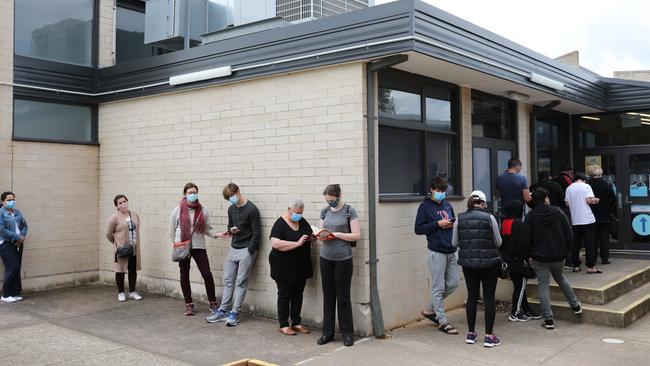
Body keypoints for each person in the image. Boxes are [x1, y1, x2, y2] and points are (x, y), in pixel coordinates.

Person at [520, 188, 582, 329]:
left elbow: (525, 240)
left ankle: (548, 319)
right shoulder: (559, 212)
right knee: (561, 279)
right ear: (546, 198)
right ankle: (575, 305)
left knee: (543, 286)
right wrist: (567, 252)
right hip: (559, 256)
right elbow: (569, 234)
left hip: (539, 258)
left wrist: (528, 255)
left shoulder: (531, 216)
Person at [452, 190, 503, 348]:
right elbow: (499, 242)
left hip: (468, 264)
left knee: (472, 297)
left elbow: (454, 243)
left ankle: (471, 334)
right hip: (489, 264)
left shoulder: (459, 218)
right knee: (489, 298)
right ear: (483, 202)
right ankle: (489, 336)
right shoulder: (490, 218)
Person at [207, 183, 261, 327]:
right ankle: (223, 310)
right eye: (228, 198)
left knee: (241, 281)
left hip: (247, 248)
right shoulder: (231, 209)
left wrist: (249, 251)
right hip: (234, 247)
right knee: (228, 279)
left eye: (232, 196)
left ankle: (234, 313)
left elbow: (257, 234)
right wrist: (231, 231)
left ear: (238, 192)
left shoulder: (252, 209)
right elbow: (229, 228)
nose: (231, 199)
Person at [316, 184, 361, 347]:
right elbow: (321, 231)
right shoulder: (325, 211)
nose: (330, 203)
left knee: (343, 297)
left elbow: (357, 234)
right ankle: (327, 333)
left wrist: (338, 235)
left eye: (332, 200)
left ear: (339, 195)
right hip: (325, 258)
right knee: (328, 296)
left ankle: (347, 334)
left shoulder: (349, 211)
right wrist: (321, 236)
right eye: (327, 201)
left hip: (343, 259)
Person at [414, 176, 459, 334]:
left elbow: (453, 223)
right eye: (438, 191)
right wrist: (437, 224)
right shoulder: (424, 207)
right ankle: (442, 320)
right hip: (436, 251)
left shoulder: (447, 205)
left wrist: (451, 225)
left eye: (443, 191)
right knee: (438, 287)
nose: (441, 193)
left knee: (453, 283)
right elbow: (418, 229)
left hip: (452, 249)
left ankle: (429, 310)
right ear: (432, 190)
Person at [170, 183, 222, 316]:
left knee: (206, 274)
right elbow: (172, 230)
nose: (193, 194)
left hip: (199, 246)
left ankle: (213, 302)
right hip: (183, 246)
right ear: (185, 194)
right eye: (190, 192)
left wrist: (217, 234)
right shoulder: (177, 210)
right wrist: (177, 244)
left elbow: (207, 229)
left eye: (195, 192)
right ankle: (188, 303)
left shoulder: (203, 210)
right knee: (184, 275)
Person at [269, 199, 314, 336]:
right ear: (289, 209)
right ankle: (283, 324)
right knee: (284, 295)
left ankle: (296, 323)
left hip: (301, 266)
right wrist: (297, 244)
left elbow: (309, 235)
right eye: (296, 213)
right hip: (283, 266)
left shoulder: (302, 221)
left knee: (298, 295)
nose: (298, 215)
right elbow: (276, 244)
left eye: (301, 213)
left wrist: (313, 238)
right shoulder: (280, 224)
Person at [499, 200, 540, 322]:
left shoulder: (505, 222)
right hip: (518, 260)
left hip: (508, 259)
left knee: (519, 286)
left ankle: (526, 309)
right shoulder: (518, 223)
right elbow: (523, 243)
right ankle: (515, 313)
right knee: (520, 287)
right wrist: (527, 257)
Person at [106, 195, 142, 302]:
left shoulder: (134, 214)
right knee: (120, 270)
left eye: (124, 201)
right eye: (120, 203)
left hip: (134, 248)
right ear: (117, 206)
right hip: (122, 249)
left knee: (132, 270)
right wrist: (117, 244)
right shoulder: (114, 218)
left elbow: (137, 227)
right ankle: (121, 292)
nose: (123, 204)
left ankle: (132, 292)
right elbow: (108, 234)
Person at [565, 173, 601, 274]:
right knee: (590, 243)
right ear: (583, 179)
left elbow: (567, 203)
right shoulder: (586, 186)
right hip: (587, 219)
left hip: (575, 219)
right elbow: (589, 200)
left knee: (576, 242)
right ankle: (591, 266)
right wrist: (596, 200)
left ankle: (576, 265)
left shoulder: (569, 188)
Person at [0, 192, 28, 303]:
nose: (12, 202)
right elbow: (1, 229)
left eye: (13, 199)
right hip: (6, 243)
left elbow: (25, 225)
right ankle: (5, 295)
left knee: (16, 268)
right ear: (2, 201)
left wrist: (22, 236)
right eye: (9, 200)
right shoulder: (1, 213)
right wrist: (17, 237)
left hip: (18, 243)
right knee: (12, 267)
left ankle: (14, 293)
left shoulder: (17, 212)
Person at [587, 165, 616, 265]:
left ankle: (592, 259)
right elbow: (613, 198)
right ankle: (605, 258)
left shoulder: (587, 184)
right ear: (600, 172)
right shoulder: (606, 183)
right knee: (604, 237)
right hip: (604, 214)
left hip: (590, 214)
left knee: (592, 238)